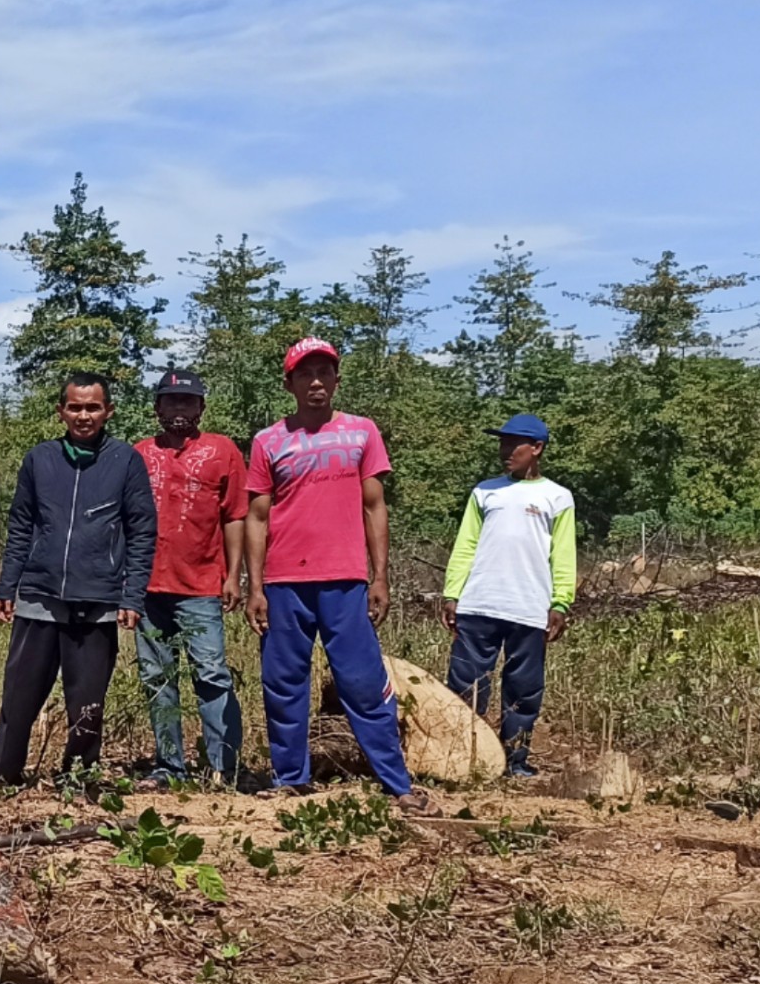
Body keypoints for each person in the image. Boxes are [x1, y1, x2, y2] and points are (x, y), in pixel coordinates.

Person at [243, 339, 425, 809]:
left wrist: (379, 576)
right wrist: (255, 586)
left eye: (325, 372)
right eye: (305, 374)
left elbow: (374, 505)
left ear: (337, 379)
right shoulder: (269, 441)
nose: (316, 382)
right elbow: (257, 517)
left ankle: (397, 783)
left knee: (363, 681)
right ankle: (290, 781)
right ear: (290, 384)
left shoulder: (362, 433)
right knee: (284, 682)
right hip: (284, 582)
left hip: (345, 578)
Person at [0, 373, 155, 786]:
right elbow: (22, 526)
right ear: (61, 411)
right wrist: (7, 586)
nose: (84, 416)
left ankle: (78, 776)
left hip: (97, 601)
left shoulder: (125, 461)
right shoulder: (40, 459)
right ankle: (3, 776)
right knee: (19, 697)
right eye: (76, 407)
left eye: (93, 407)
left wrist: (132, 596)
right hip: (40, 597)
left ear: (108, 411)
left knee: (87, 702)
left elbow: (142, 530)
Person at [442, 414, 576, 779]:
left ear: (537, 448)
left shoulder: (557, 497)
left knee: (523, 688)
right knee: (466, 684)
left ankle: (514, 760)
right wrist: (453, 593)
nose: (505, 451)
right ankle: (461, 756)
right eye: (502, 443)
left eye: (513, 444)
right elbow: (465, 545)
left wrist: (561, 602)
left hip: (529, 607)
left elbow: (563, 555)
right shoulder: (485, 491)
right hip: (480, 602)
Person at [132, 369, 247, 788]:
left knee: (212, 673)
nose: (179, 409)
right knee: (157, 678)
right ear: (157, 407)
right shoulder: (138, 453)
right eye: (171, 401)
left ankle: (223, 766)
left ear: (201, 406)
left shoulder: (223, 451)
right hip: (147, 588)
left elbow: (235, 515)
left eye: (187, 401)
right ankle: (169, 765)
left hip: (201, 586)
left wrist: (234, 575)